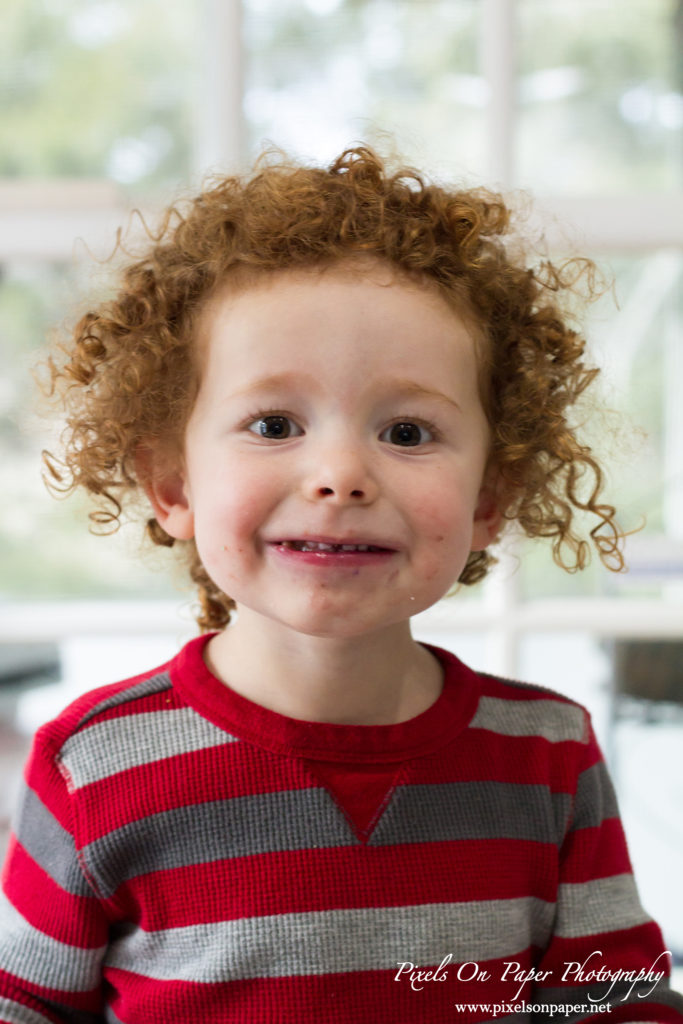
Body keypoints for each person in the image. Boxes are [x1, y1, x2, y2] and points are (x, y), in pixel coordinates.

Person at [0, 146, 680, 1024]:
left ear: (488, 499)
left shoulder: (549, 754)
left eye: (406, 431)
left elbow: (611, 1005)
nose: (340, 474)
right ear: (173, 485)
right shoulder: (93, 767)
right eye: (274, 423)